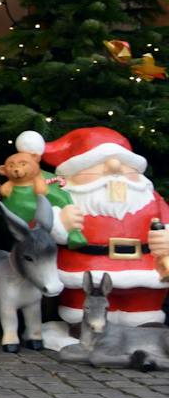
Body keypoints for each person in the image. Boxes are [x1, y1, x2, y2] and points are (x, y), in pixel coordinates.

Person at [45, 127, 169, 328]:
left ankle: (142, 333)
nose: (114, 167)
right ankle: (82, 333)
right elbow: (40, 226)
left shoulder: (150, 197)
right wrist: (60, 223)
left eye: (124, 163)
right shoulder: (66, 198)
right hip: (86, 267)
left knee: (143, 317)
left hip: (144, 270)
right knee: (81, 315)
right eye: (97, 164)